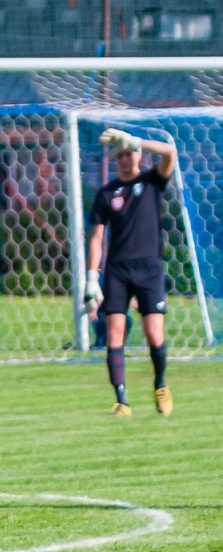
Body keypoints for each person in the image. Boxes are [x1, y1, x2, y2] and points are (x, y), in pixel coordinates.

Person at [84, 128, 178, 417]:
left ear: (138, 154)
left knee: (154, 334)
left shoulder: (152, 181)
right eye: (121, 154)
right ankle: (122, 401)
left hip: (149, 267)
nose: (125, 159)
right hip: (117, 271)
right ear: (116, 159)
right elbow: (98, 237)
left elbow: (170, 153)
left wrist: (136, 140)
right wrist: (91, 277)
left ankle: (160, 385)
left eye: (130, 153)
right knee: (115, 334)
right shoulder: (106, 193)